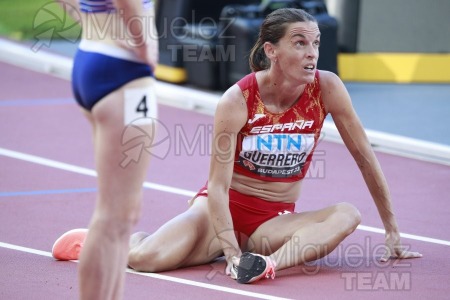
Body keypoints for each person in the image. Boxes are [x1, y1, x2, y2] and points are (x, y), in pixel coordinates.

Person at [55, 7, 422, 285]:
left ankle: (266, 265)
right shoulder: (238, 99)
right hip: (219, 209)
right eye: (300, 43)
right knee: (147, 259)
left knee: (347, 215)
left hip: (272, 221)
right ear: (271, 51)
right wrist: (230, 251)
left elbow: (364, 159)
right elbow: (217, 185)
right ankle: (113, 239)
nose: (312, 53)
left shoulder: (327, 89)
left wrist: (392, 231)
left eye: (316, 43)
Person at [51, 0, 159, 298]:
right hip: (123, 70)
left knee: (123, 214)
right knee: (113, 215)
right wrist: (144, 45)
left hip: (96, 57)